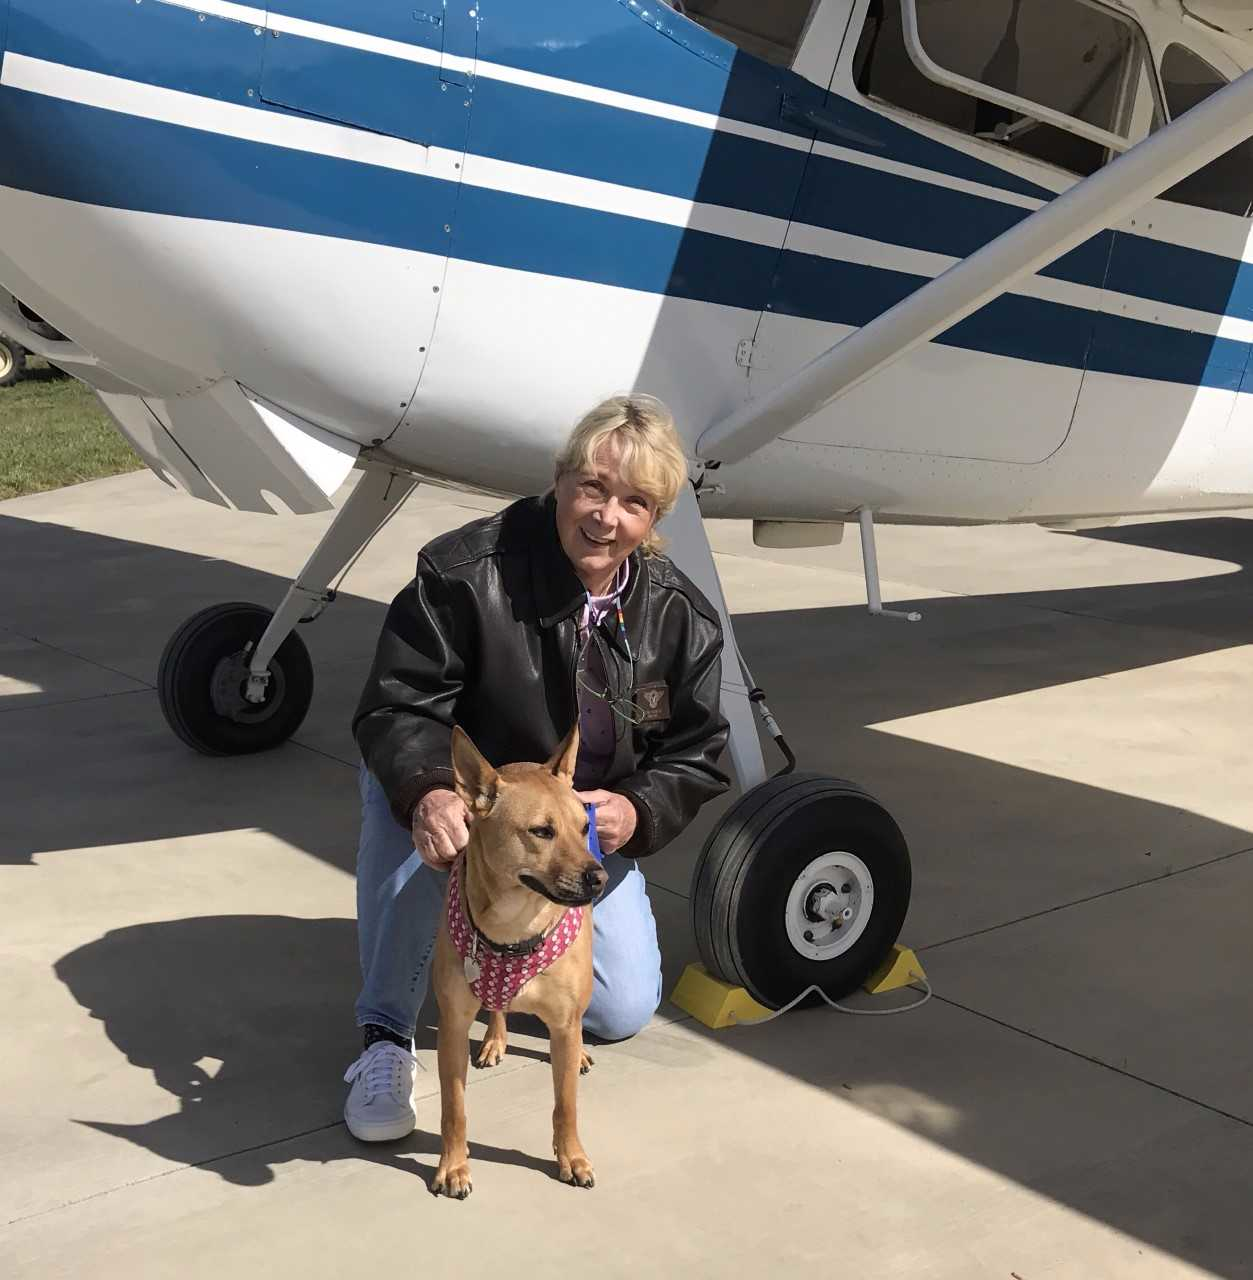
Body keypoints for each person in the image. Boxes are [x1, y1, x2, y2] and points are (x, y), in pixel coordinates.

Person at [342, 394, 731, 1141]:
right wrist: (426, 791)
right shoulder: (463, 573)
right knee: (419, 836)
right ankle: (385, 1036)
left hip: (569, 830)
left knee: (618, 1010)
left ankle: (507, 972)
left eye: (634, 502)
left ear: (654, 518)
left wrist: (636, 811)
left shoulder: (679, 617)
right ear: (559, 481)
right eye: (592, 488)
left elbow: (695, 749)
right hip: (470, 801)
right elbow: (397, 705)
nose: (605, 517)